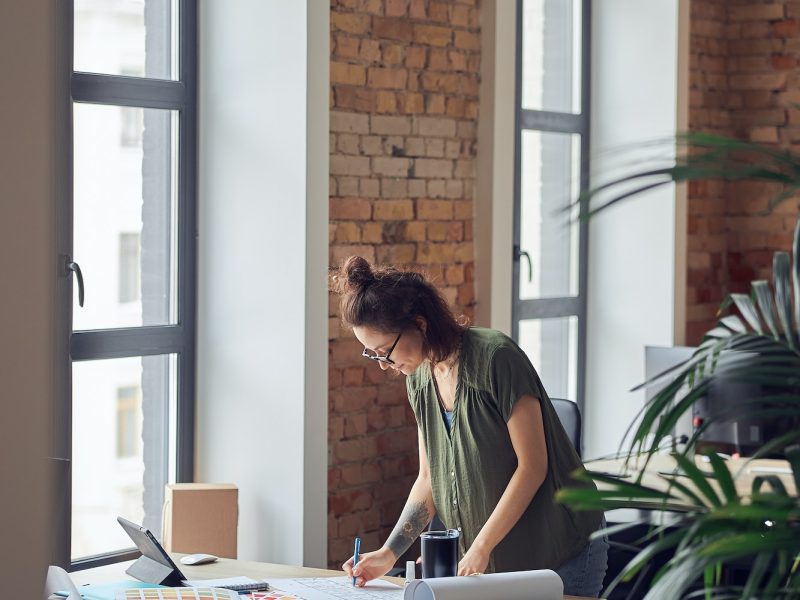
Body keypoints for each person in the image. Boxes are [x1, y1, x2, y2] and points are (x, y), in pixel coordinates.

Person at [333, 256, 608, 598]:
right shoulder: (419, 379)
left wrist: (481, 545)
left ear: (419, 323)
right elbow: (429, 478)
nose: (384, 364)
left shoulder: (496, 358)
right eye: (373, 355)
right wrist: (389, 553)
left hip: (559, 552)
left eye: (384, 351)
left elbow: (532, 467)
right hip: (494, 561)